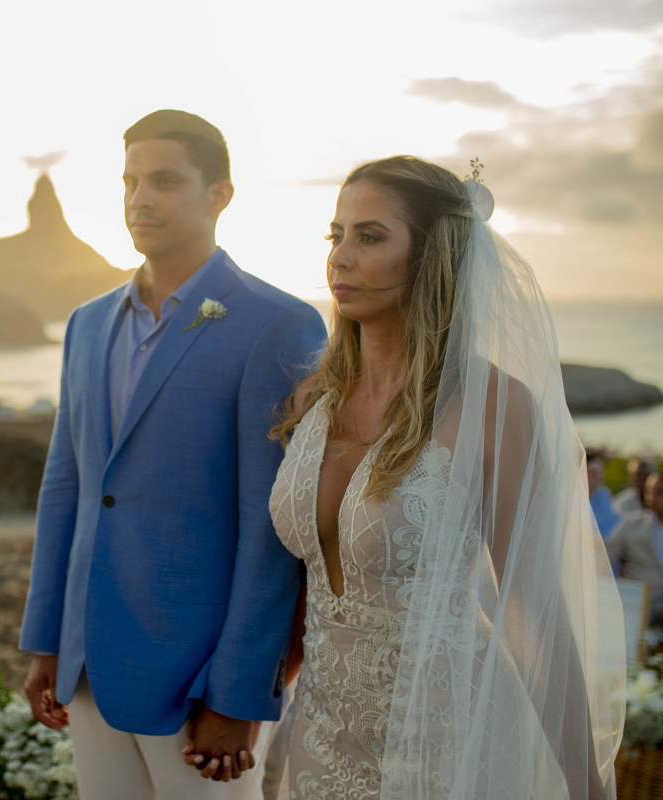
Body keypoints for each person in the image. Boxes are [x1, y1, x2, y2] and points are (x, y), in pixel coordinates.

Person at [265, 156, 623, 798]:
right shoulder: (314, 398)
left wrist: (587, 785)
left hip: (443, 747)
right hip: (318, 738)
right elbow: (304, 583)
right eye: (336, 235)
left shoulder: (494, 408)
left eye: (370, 236)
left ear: (432, 257)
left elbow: (531, 612)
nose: (340, 257)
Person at [19, 109, 326, 799]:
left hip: (198, 678)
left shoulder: (279, 324)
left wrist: (239, 692)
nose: (140, 199)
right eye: (130, 181)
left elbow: (271, 526)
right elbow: (66, 486)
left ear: (220, 195)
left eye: (164, 181)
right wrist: (48, 638)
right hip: (89, 659)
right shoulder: (88, 323)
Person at [607, 471, 663, 626]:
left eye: (659, 493)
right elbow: (604, 558)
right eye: (648, 491)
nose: (651, 497)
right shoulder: (631, 524)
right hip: (640, 605)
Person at [586, 449, 622, 538]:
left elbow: (615, 520)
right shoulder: (576, 503)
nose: (598, 478)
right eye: (593, 474)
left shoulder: (603, 493)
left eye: (600, 473)